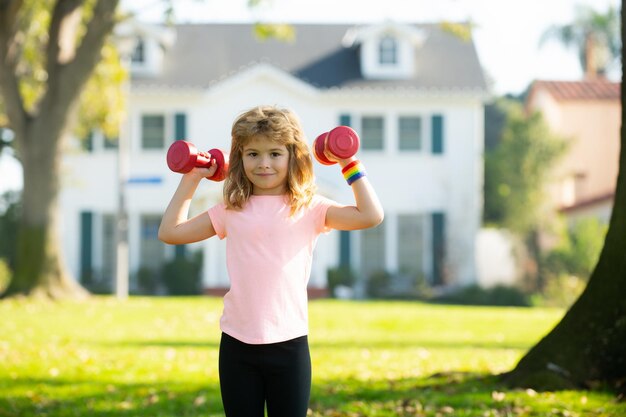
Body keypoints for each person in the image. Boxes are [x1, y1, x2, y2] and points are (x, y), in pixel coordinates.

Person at [158, 105, 383, 417]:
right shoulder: (231, 209)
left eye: (275, 154)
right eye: (253, 154)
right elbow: (170, 232)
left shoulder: (309, 208)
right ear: (240, 158)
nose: (264, 164)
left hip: (290, 345)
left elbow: (370, 215)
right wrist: (193, 177)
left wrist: (347, 160)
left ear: (293, 156)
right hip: (237, 346)